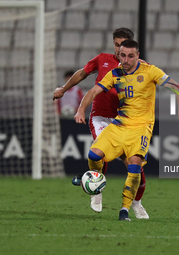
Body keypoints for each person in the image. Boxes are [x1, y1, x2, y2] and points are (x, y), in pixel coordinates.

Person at [74, 39, 179, 221]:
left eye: (131, 56)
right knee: (94, 155)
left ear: (138, 56)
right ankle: (96, 185)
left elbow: (176, 87)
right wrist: (81, 109)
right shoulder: (115, 74)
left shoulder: (150, 71)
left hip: (141, 128)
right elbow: (93, 91)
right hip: (120, 125)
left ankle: (125, 210)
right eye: (123, 55)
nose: (126, 60)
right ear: (118, 55)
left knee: (134, 167)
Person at [53, 28, 149, 219]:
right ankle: (96, 191)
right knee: (102, 152)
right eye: (116, 44)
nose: (117, 49)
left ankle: (137, 203)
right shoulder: (102, 59)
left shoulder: (141, 67)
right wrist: (64, 89)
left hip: (124, 122)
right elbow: (81, 74)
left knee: (135, 167)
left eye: (121, 45)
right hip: (100, 117)